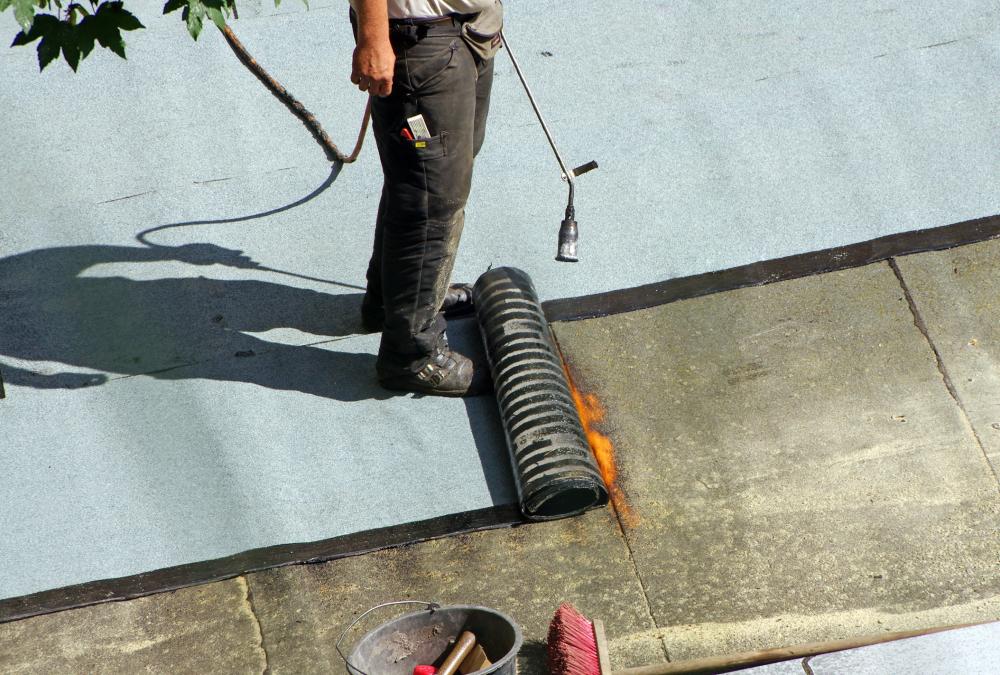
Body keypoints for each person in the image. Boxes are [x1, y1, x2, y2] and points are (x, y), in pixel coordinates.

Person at [349, 0, 500, 397]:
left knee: (427, 180)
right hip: (420, 41)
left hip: (470, 29)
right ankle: (410, 356)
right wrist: (374, 36)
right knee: (432, 198)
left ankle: (393, 301)